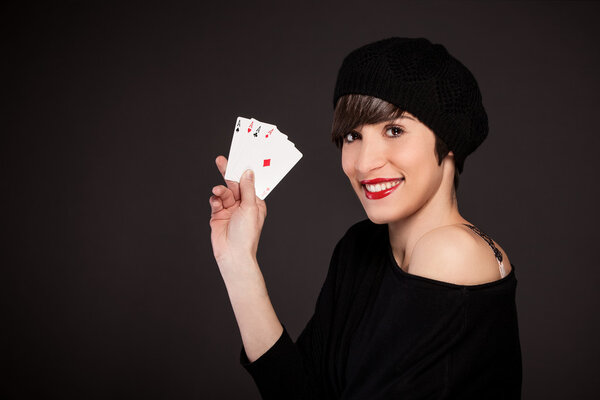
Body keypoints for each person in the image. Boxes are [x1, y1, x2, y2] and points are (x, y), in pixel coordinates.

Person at [209, 37, 522, 399]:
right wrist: (238, 262)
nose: (363, 162)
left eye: (394, 130)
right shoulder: (361, 247)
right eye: (352, 135)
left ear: (448, 140)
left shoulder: (450, 252)